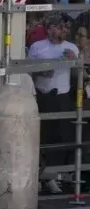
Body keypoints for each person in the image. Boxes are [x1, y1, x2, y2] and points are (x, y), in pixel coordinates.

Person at [30, 15, 80, 193]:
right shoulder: (37, 47)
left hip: (61, 97)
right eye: (60, 28)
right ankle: (36, 176)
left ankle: (53, 177)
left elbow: (78, 75)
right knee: (40, 137)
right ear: (50, 28)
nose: (64, 32)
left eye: (66, 28)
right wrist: (42, 71)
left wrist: (75, 61)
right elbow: (28, 72)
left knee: (59, 137)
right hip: (41, 96)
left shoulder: (71, 47)